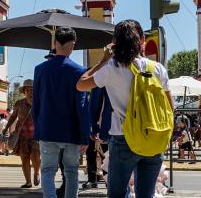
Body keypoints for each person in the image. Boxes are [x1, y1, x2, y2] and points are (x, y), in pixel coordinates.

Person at [77, 19, 171, 198]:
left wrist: (103, 61)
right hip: (153, 137)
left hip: (123, 138)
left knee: (117, 193)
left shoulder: (111, 69)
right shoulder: (157, 69)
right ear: (142, 40)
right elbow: (169, 108)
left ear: (114, 44)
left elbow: (81, 84)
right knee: (146, 194)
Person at [32, 27, 90, 198]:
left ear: (55, 43)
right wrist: (85, 134)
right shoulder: (79, 71)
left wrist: (38, 127)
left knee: (48, 170)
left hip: (47, 129)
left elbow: (36, 102)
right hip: (71, 131)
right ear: (73, 45)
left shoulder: (40, 69)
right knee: (71, 171)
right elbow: (82, 106)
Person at [5, 80, 39, 188]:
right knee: (24, 158)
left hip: (36, 136)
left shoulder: (40, 102)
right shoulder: (19, 103)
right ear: (24, 92)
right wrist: (6, 128)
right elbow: (13, 116)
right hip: (22, 136)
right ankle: (28, 181)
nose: (30, 92)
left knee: (36, 157)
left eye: (32, 90)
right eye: (28, 90)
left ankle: (36, 173)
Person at [81, 86, 111, 190]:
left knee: (106, 155)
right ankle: (92, 179)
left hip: (106, 125)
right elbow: (91, 106)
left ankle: (108, 181)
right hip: (94, 123)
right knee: (90, 153)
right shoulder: (94, 86)